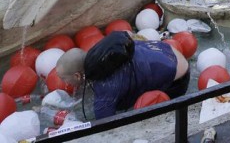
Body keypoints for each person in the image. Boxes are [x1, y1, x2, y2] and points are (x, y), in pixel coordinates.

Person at [56, 39, 189, 120]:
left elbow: (107, 127)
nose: (64, 82)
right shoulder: (100, 52)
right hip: (165, 51)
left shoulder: (105, 89)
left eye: (63, 78)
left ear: (77, 76)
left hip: (178, 81)